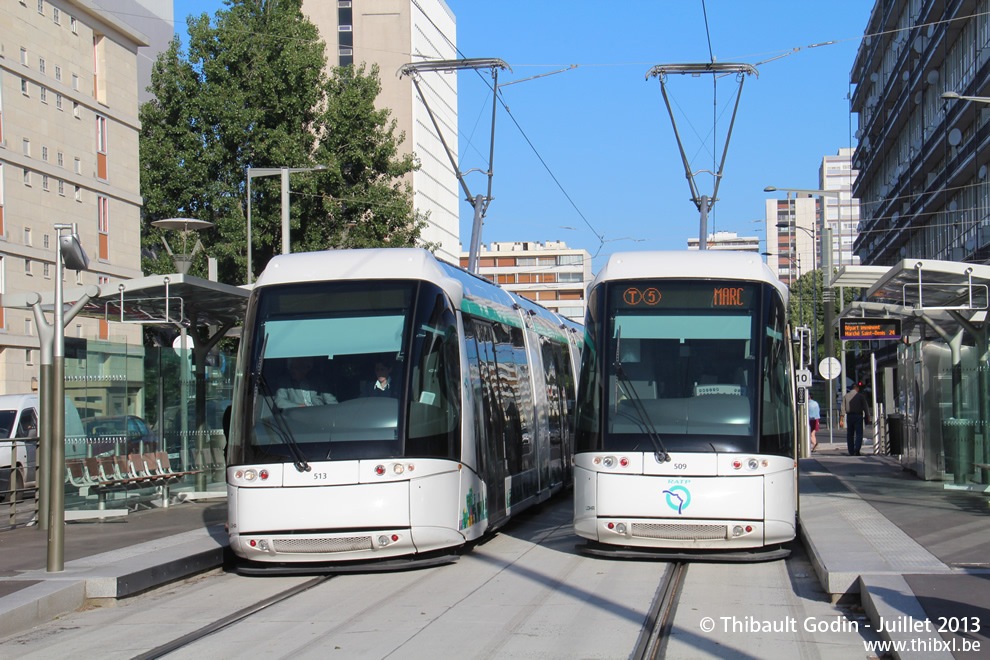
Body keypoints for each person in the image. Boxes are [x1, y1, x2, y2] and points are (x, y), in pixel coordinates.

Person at [841, 381, 871, 456]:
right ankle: (857, 449)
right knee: (859, 433)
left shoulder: (846, 396)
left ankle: (851, 451)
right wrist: (868, 416)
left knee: (850, 434)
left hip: (849, 416)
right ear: (857, 389)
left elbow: (843, 408)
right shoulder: (860, 396)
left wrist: (841, 419)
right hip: (858, 416)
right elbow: (865, 407)